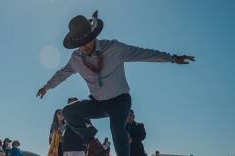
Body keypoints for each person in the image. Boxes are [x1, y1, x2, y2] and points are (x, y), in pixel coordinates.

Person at [36, 10, 195, 156]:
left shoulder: (114, 48)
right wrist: (46, 87)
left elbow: (143, 53)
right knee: (69, 111)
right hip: (98, 102)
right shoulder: (76, 59)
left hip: (120, 101)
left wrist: (172, 58)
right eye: (80, 44)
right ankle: (93, 143)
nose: (84, 47)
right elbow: (62, 74)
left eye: (88, 41)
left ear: (93, 35)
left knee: (116, 128)